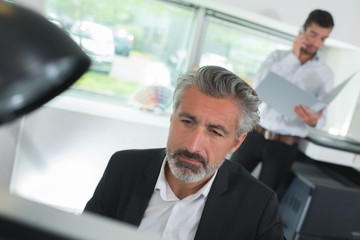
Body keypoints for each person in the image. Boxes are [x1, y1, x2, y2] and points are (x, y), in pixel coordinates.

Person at [84, 66, 285, 240]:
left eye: (215, 132)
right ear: (172, 118)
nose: (193, 146)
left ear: (236, 143)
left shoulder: (258, 205)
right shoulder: (123, 168)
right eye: (187, 122)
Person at [230, 9, 335, 193]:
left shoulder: (325, 73)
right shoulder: (277, 57)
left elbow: (322, 117)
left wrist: (314, 120)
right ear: (302, 31)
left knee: (264, 198)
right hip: (254, 134)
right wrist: (293, 59)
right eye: (313, 35)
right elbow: (259, 88)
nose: (316, 43)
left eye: (323, 38)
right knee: (227, 182)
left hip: (284, 147)